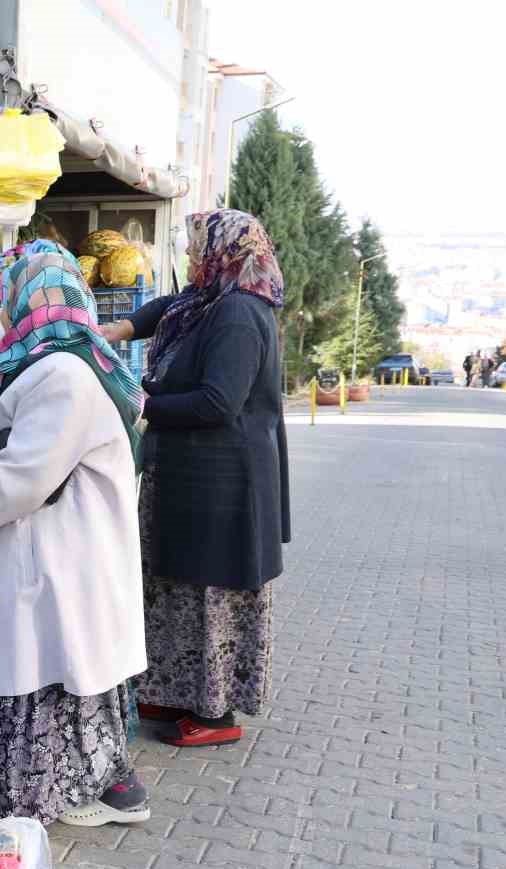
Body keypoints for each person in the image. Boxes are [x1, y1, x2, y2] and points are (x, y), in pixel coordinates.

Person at [0, 240, 150, 828]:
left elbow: (25, 480)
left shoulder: (62, 376)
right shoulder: (63, 362)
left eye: (5, 302)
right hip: (64, 559)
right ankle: (84, 789)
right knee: (67, 678)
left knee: (47, 674)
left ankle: (35, 805)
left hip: (57, 563)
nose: (0, 315)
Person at [99, 208, 289, 747]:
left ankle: (214, 713)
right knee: (173, 588)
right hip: (190, 480)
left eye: (194, 248)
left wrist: (142, 404)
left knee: (209, 597)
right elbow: (169, 307)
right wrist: (123, 327)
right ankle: (171, 690)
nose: (187, 257)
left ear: (222, 253)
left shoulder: (239, 315)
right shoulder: (209, 300)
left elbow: (218, 402)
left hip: (224, 488)